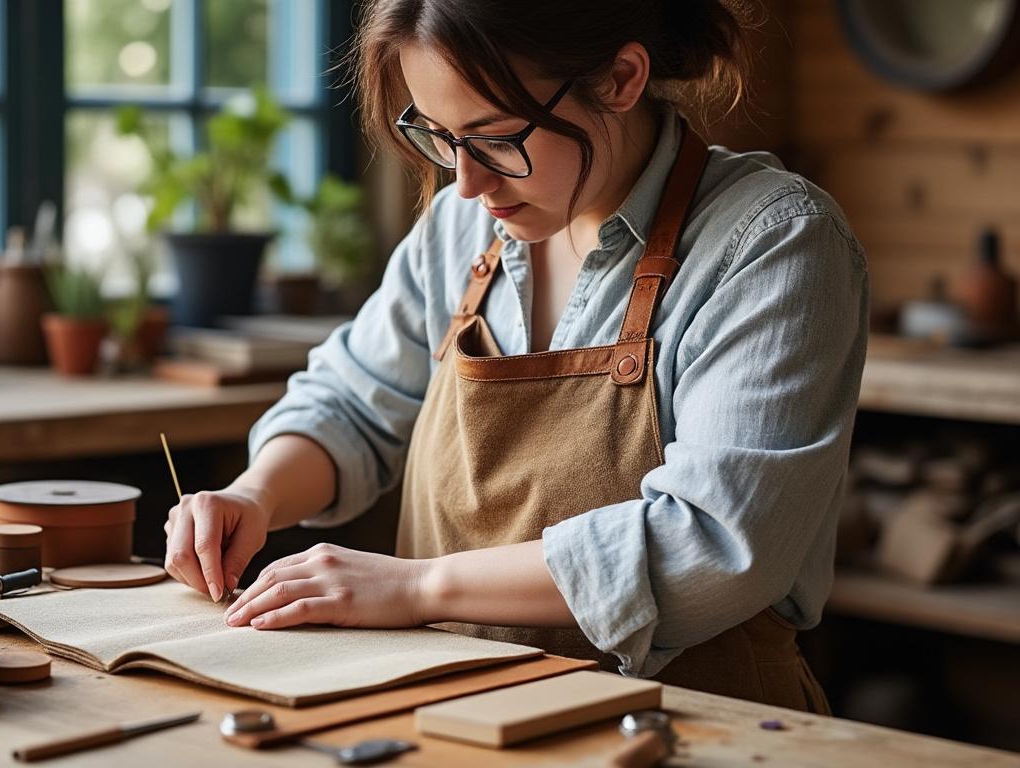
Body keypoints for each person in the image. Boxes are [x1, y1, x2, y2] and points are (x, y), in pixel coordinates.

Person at [162, 0, 867, 713]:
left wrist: (417, 587)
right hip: (458, 719)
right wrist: (257, 494)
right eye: (438, 136)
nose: (466, 183)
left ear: (621, 78)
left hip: (698, 727)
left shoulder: (771, 243)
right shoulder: (459, 232)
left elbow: (712, 542)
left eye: (496, 138)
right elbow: (351, 402)